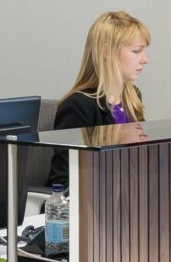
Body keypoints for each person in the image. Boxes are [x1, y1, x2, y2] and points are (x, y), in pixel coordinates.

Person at [46, 11, 151, 189]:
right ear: (106, 52)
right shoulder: (78, 106)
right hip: (99, 205)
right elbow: (63, 181)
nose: (145, 59)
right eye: (136, 51)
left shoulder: (132, 98)